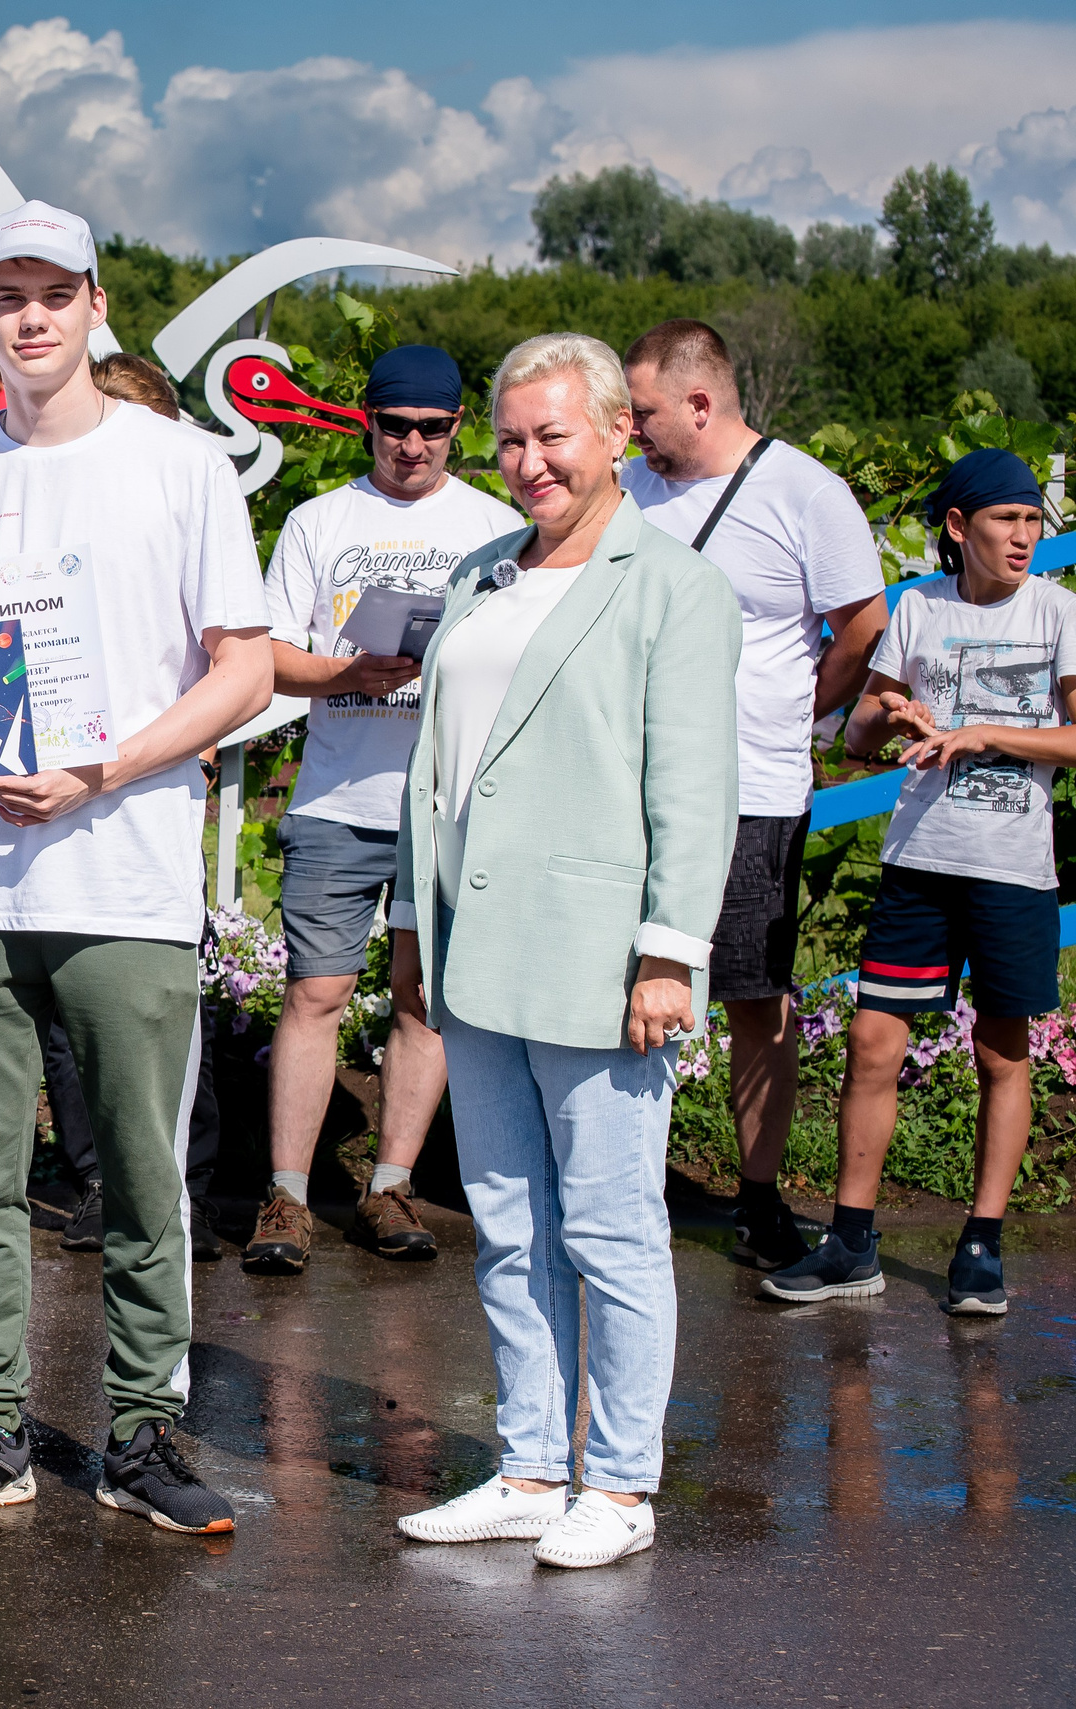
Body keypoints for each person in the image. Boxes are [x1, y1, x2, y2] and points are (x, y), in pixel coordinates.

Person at [0, 201, 273, 1534]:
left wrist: (105, 769)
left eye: (53, 293)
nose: (31, 318)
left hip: (124, 873)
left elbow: (247, 669)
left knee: (144, 1180)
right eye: (6, 296)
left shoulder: (181, 468)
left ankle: (146, 1437)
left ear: (97, 305)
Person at [388, 333, 737, 1569]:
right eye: (513, 438)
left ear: (614, 436)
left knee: (610, 1225)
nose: (529, 460)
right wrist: (408, 924)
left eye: (555, 435)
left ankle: (624, 1484)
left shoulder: (673, 587)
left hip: (600, 959)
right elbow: (431, 769)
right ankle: (533, 1463)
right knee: (505, 1219)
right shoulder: (483, 570)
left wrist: (666, 953)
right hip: (472, 947)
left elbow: (695, 792)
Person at [759, 449, 1074, 1316]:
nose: (1025, 535)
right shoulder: (919, 612)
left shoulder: (1058, 612)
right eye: (1006, 519)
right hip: (917, 863)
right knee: (871, 1043)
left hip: (1011, 869)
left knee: (1000, 1053)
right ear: (958, 526)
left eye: (1032, 520)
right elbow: (859, 736)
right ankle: (852, 1239)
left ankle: (982, 1242)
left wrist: (981, 735)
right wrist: (884, 711)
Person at [247, 345, 522, 1275]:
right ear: (367, 421)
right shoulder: (319, 522)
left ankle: (389, 1184)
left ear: (457, 430)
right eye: (394, 426)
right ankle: (286, 1196)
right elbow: (270, 655)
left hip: (447, 803)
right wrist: (343, 672)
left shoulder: (495, 528)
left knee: (424, 999)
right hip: (339, 795)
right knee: (315, 992)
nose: (412, 445)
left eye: (432, 429)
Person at [622, 320, 888, 1270]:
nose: (632, 429)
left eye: (644, 412)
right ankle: (623, 1186)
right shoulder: (630, 487)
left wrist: (799, 713)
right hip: (630, 778)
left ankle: (760, 1196)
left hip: (752, 785)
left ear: (702, 403)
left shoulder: (806, 492)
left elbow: (862, 622)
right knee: (624, 978)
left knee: (750, 994)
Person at [46, 347, 227, 1262]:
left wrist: (119, 765)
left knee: (161, 1034)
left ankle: (178, 1189)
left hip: (140, 828)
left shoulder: (189, 501)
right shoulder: (29, 512)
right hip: (37, 830)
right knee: (64, 1034)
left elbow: (237, 672)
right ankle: (94, 1181)